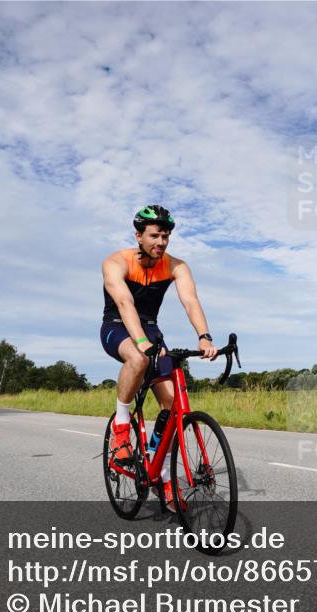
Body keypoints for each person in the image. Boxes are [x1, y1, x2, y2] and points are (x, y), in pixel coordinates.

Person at [100, 204, 217, 510]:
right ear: (139, 235)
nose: (161, 242)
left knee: (172, 406)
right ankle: (122, 427)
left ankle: (163, 474)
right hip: (116, 328)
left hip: (151, 331)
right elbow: (124, 302)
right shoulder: (116, 262)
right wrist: (140, 341)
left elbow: (190, 301)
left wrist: (204, 336)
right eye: (155, 236)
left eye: (165, 236)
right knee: (138, 360)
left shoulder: (176, 265)